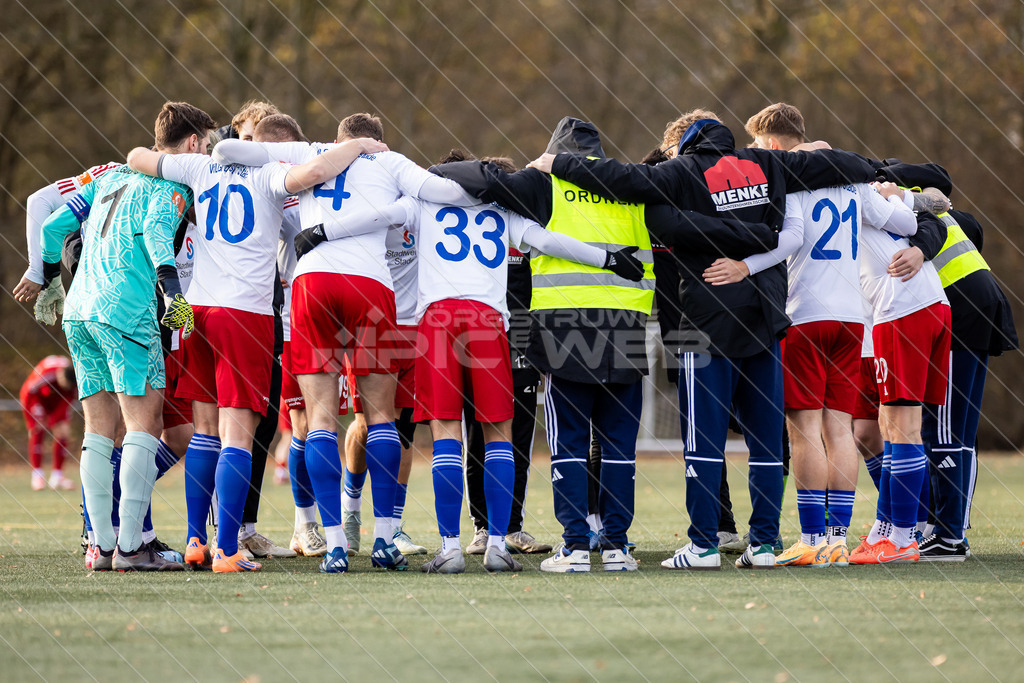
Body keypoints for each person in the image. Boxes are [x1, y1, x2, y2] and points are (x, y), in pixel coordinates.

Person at [529, 109, 877, 571]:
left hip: (703, 320)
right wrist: (755, 238)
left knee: (704, 440)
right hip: (765, 318)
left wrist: (559, 164)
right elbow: (845, 167)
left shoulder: (681, 172)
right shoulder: (770, 165)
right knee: (767, 442)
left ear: (686, 145)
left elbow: (626, 183)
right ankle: (766, 545)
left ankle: (703, 546)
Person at [435, 117, 778, 572]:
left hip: (565, 325)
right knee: (618, 446)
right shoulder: (632, 184)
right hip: (627, 326)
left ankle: (576, 548)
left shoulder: (545, 183)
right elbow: (691, 228)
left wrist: (428, 173)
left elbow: (478, 179)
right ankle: (617, 547)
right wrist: (760, 240)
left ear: (556, 152)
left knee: (569, 444)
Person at [213, 112, 477, 573]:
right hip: (371, 287)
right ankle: (383, 539)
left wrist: (329, 155)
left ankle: (333, 545)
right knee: (381, 417)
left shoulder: (311, 152)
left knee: (319, 419)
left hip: (312, 286)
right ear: (380, 139)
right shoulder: (389, 160)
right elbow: (448, 192)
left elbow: (227, 150)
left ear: (338, 138)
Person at [127, 111, 386, 573]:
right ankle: (227, 550)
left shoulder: (198, 166)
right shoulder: (272, 175)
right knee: (238, 439)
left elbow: (137, 156)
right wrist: (357, 146)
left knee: (205, 432)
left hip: (196, 312)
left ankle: (194, 541)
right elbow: (316, 171)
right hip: (244, 314)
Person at [710, 103, 916, 568]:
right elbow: (904, 224)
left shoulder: (793, 178)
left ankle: (812, 538)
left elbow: (790, 241)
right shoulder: (853, 178)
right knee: (839, 428)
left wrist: (744, 265)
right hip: (852, 319)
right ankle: (838, 541)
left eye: (761, 144)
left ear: (776, 142)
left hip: (805, 316)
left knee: (803, 431)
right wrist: (895, 202)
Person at [36, 101, 208, 572]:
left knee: (97, 429)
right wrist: (173, 295)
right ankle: (133, 548)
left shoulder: (109, 177)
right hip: (126, 312)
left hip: (80, 310)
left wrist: (51, 277)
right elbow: (156, 234)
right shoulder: (171, 182)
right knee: (142, 424)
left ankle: (102, 546)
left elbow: (54, 226)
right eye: (205, 144)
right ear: (192, 143)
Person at [875, 161, 1018, 561]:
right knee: (955, 430)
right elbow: (968, 222)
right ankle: (947, 528)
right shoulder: (942, 211)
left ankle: (950, 535)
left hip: (962, 310)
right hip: (980, 306)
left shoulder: (905, 208)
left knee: (946, 431)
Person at [20, 355, 78, 490]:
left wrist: (54, 420)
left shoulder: (75, 379)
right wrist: (31, 421)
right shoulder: (48, 373)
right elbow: (27, 392)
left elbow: (68, 400)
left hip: (58, 401)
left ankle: (57, 476)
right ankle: (37, 475)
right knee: (37, 429)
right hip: (39, 398)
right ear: (60, 375)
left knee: (63, 432)